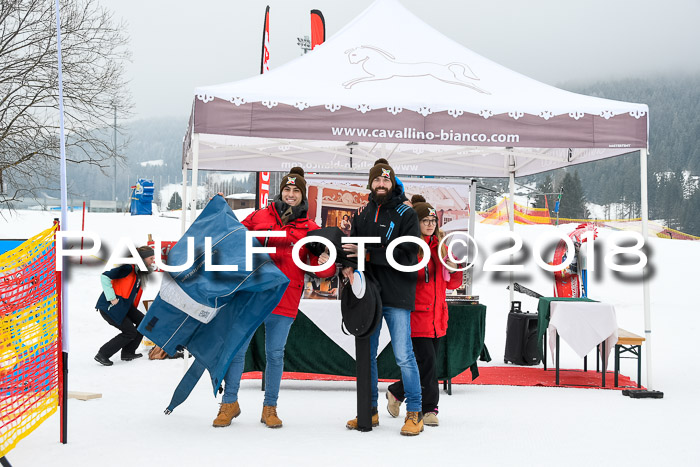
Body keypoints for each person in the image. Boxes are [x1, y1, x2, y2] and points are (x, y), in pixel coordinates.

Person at [213, 167, 334, 429]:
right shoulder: (260, 215)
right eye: (287, 189)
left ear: (303, 195)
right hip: (253, 293)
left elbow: (321, 269)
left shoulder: (311, 227)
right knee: (238, 349)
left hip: (285, 295)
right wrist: (221, 212)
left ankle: (270, 407)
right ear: (281, 191)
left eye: (296, 191)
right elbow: (234, 237)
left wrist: (325, 260)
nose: (290, 194)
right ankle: (229, 403)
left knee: (275, 354)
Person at [341, 158, 424, 436]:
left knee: (403, 355)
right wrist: (348, 268)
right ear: (371, 183)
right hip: (369, 295)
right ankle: (369, 411)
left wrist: (369, 254)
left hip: (397, 294)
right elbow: (352, 248)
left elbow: (409, 253)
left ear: (392, 183)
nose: (381, 184)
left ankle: (415, 412)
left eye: (386, 180)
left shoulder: (406, 213)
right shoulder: (363, 212)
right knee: (368, 356)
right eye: (377, 180)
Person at [386, 195, 463, 427]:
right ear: (415, 222)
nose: (430, 224)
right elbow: (411, 278)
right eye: (425, 220)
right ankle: (430, 408)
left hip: (438, 317)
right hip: (417, 315)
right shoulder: (411, 248)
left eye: (433, 220)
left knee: (424, 363)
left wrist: (454, 266)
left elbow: (452, 283)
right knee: (428, 363)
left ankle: (397, 392)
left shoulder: (443, 248)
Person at [94, 245, 155, 366]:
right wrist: (112, 298)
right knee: (129, 332)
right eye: (151, 258)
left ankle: (128, 352)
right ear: (143, 258)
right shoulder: (128, 268)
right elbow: (105, 276)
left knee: (143, 322)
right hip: (110, 308)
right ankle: (103, 354)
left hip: (124, 306)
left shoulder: (138, 272)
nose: (153, 261)